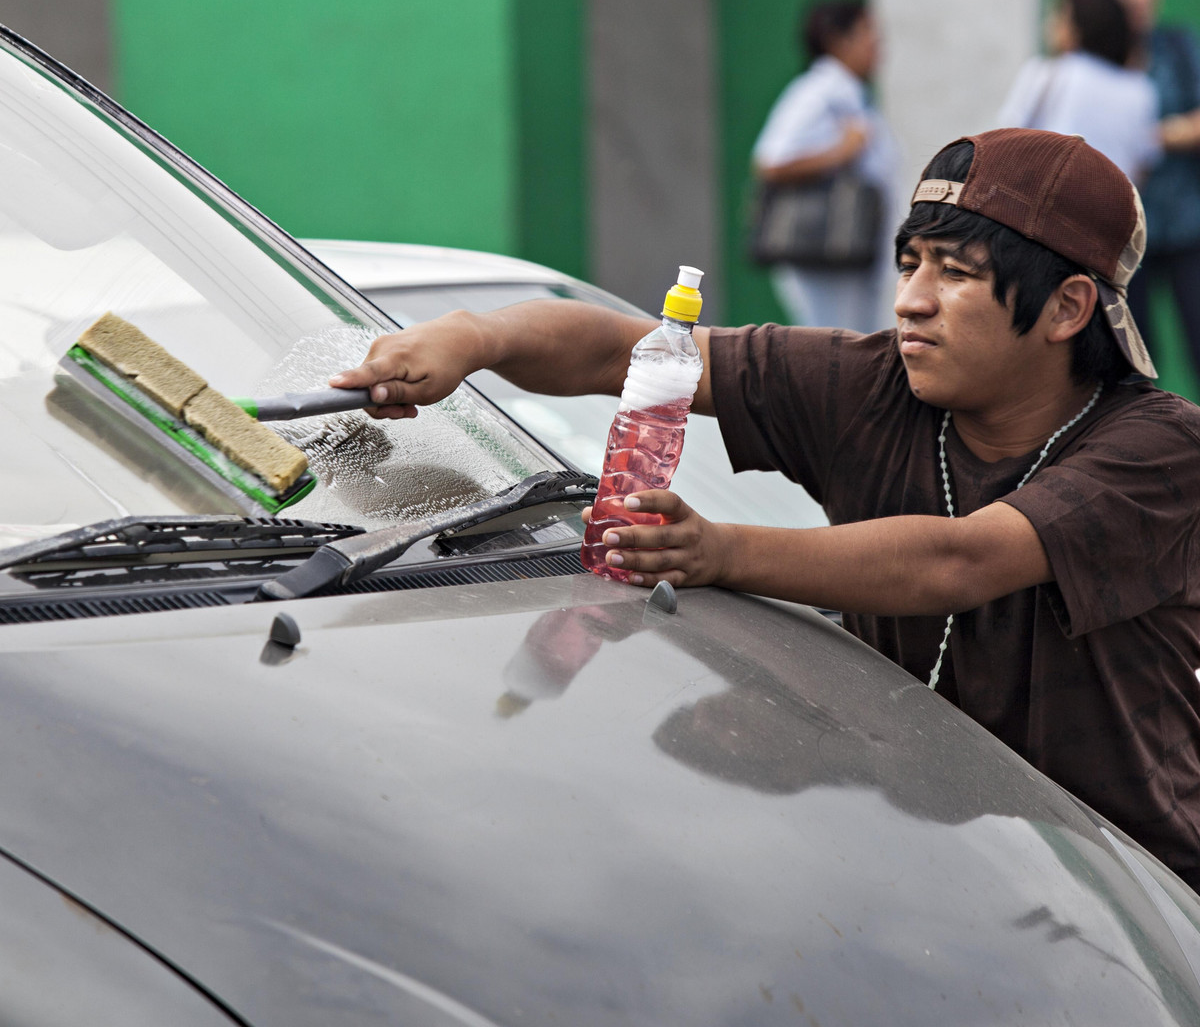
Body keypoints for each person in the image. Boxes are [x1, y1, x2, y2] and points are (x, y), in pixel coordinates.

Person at [331, 128, 1200, 890]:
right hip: (941, 874)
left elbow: (959, 561)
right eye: (910, 265)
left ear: (1068, 307)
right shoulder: (872, 384)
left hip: (1133, 890)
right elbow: (622, 353)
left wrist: (714, 551)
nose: (911, 301)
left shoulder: (1158, 449)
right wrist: (470, 340)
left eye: (958, 274)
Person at [750, 0, 898, 332]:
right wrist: (841, 152)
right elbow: (771, 162)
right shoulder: (815, 94)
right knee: (831, 349)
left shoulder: (850, 94)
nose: (877, 43)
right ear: (837, 39)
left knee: (851, 345)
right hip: (823, 252)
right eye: (867, 31)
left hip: (852, 253)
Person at [1097, 0, 1200, 377]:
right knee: (1131, 362)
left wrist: (1152, 138)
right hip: (1120, 235)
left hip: (1185, 225)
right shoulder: (1095, 62)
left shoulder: (1177, 47)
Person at [997, 0, 1160, 182]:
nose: (1048, 24)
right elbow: (1143, 163)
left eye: (1057, 15)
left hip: (1046, 201)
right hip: (1111, 207)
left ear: (1077, 26)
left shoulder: (1046, 73)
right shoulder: (1140, 89)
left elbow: (1006, 141)